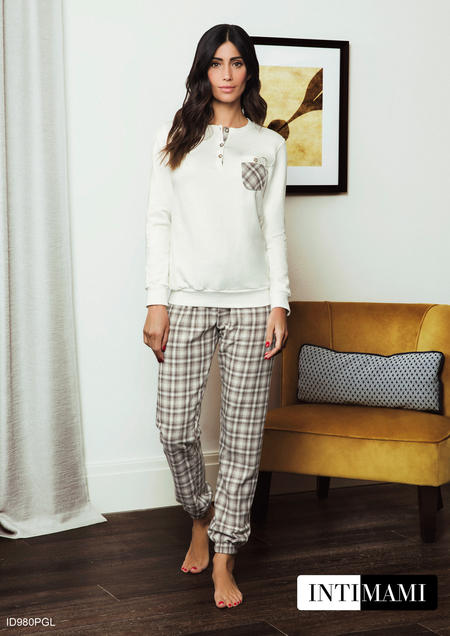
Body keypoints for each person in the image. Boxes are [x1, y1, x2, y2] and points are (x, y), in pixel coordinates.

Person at [143, 23, 291, 609]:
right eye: (216, 63)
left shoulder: (269, 144)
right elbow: (159, 222)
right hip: (185, 302)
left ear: (248, 70)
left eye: (237, 62)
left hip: (253, 307)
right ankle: (201, 514)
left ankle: (225, 554)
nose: (227, 74)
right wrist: (157, 301)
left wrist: (280, 302)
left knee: (242, 438)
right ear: (203, 70)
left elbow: (274, 229)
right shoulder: (175, 138)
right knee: (175, 429)